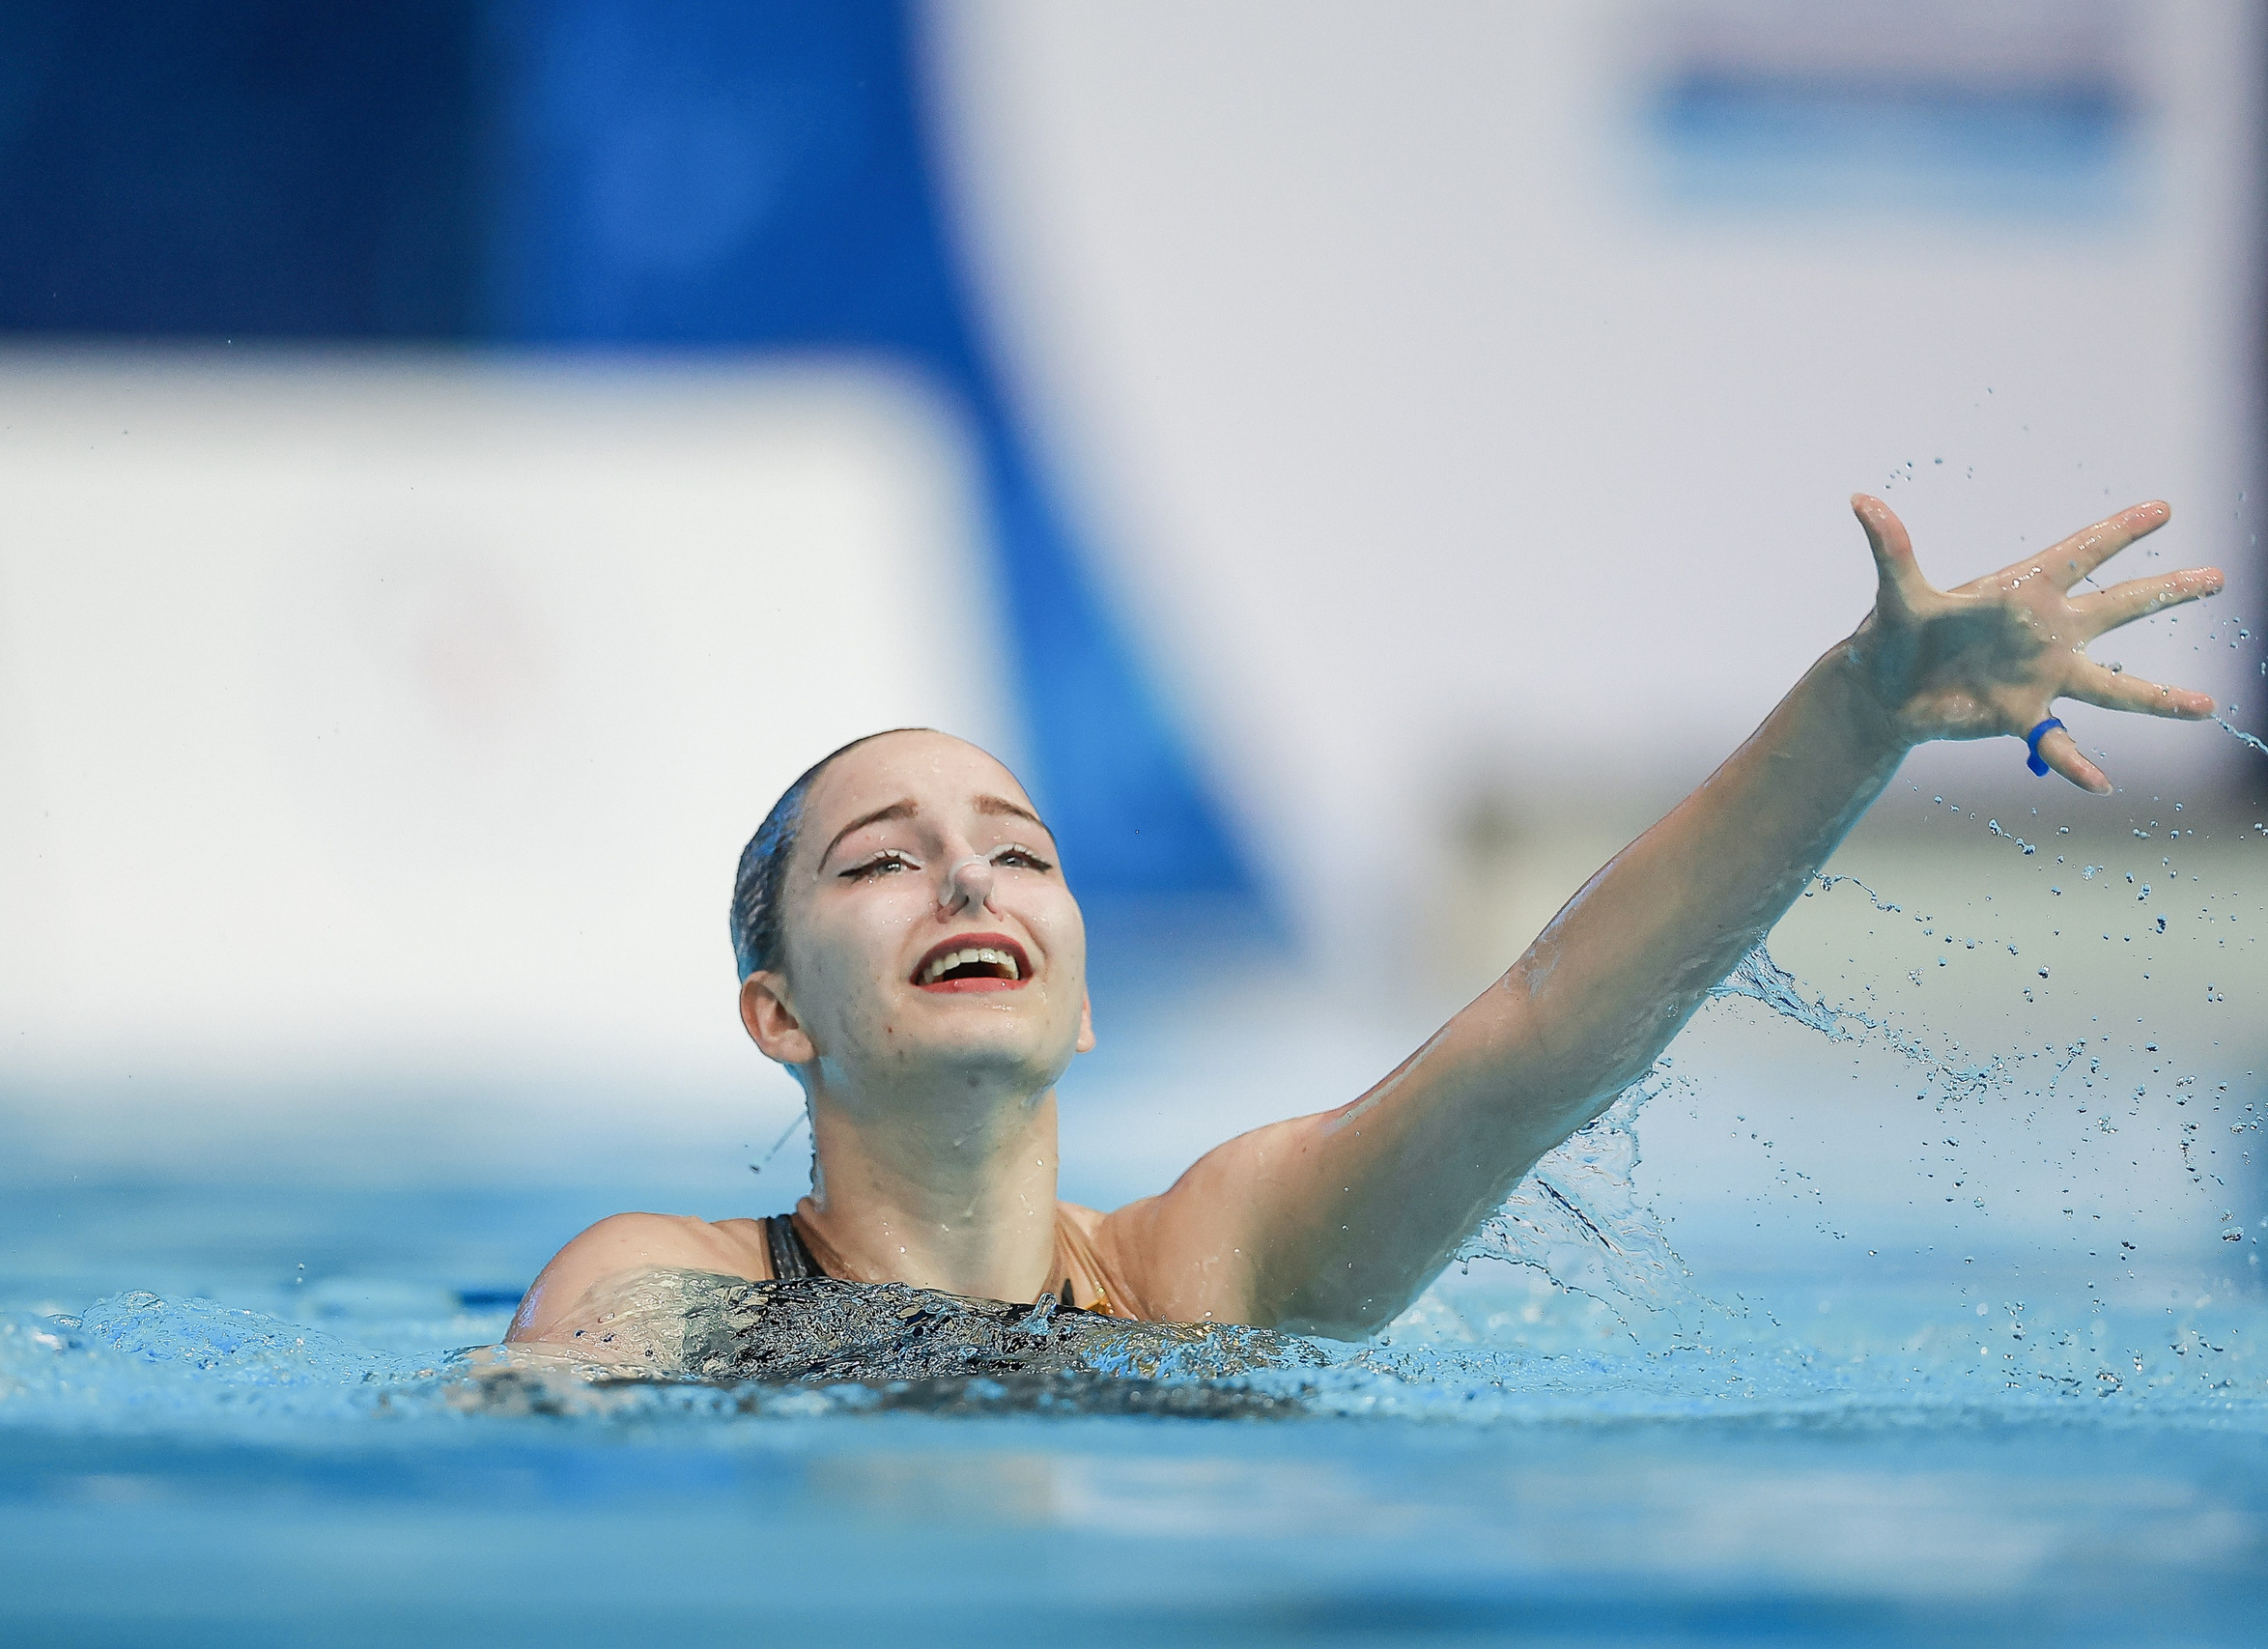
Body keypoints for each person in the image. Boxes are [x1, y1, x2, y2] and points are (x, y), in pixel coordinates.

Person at [507, 496, 2221, 1345]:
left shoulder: (1212, 1266)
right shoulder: (663, 1298)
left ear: (1083, 999)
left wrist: (1858, 712)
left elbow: (1538, 1032)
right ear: (775, 1014)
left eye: (1021, 853)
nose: (967, 879)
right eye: (879, 859)